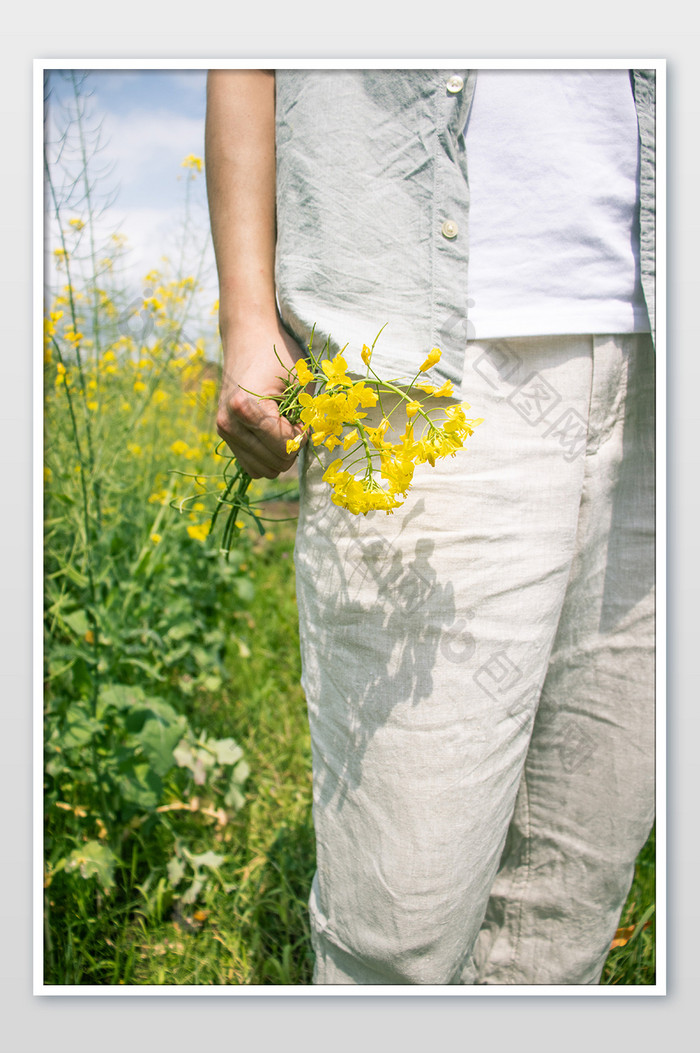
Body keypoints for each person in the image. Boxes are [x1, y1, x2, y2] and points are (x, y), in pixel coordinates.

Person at [205, 67, 656, 985]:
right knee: (400, 923)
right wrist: (247, 313)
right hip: (423, 360)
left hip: (656, 362)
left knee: (575, 889)